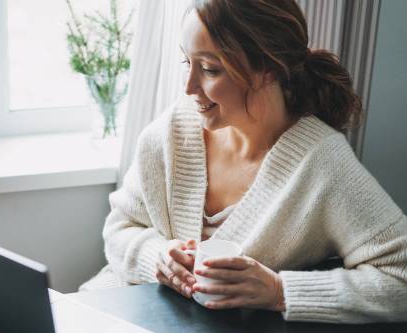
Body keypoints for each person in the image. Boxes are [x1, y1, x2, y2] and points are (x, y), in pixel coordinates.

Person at [79, 0, 407, 323]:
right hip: (110, 309)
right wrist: (157, 257)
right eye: (186, 62)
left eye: (209, 69)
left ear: (268, 69)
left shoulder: (322, 164)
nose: (189, 85)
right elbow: (120, 228)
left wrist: (281, 292)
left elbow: (401, 276)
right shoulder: (173, 130)